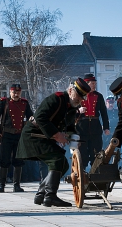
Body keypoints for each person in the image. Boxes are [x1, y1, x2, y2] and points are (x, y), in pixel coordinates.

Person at [16, 78, 91, 207]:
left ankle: (41, 194)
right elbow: (40, 118)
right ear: (70, 90)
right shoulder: (56, 99)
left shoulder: (72, 106)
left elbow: (70, 126)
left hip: (44, 137)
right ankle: (50, 196)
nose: (80, 99)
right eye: (78, 95)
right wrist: (56, 134)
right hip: (33, 134)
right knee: (57, 160)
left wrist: (73, 137)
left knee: (63, 165)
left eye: (81, 97)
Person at [0, 84, 33, 193]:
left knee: (18, 160)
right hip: (6, 135)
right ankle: (2, 185)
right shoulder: (4, 102)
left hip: (19, 135)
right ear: (10, 92)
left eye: (18, 92)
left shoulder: (24, 103)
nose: (16, 94)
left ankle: (17, 185)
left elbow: (30, 117)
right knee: (4, 160)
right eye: (14, 92)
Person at [75, 73, 110, 169]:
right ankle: (83, 172)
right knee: (83, 153)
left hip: (95, 127)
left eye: (95, 83)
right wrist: (78, 111)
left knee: (96, 151)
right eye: (92, 83)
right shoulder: (78, 95)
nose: (94, 85)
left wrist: (106, 127)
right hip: (82, 128)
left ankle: (95, 171)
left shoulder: (99, 96)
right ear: (86, 83)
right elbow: (70, 112)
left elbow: (103, 112)